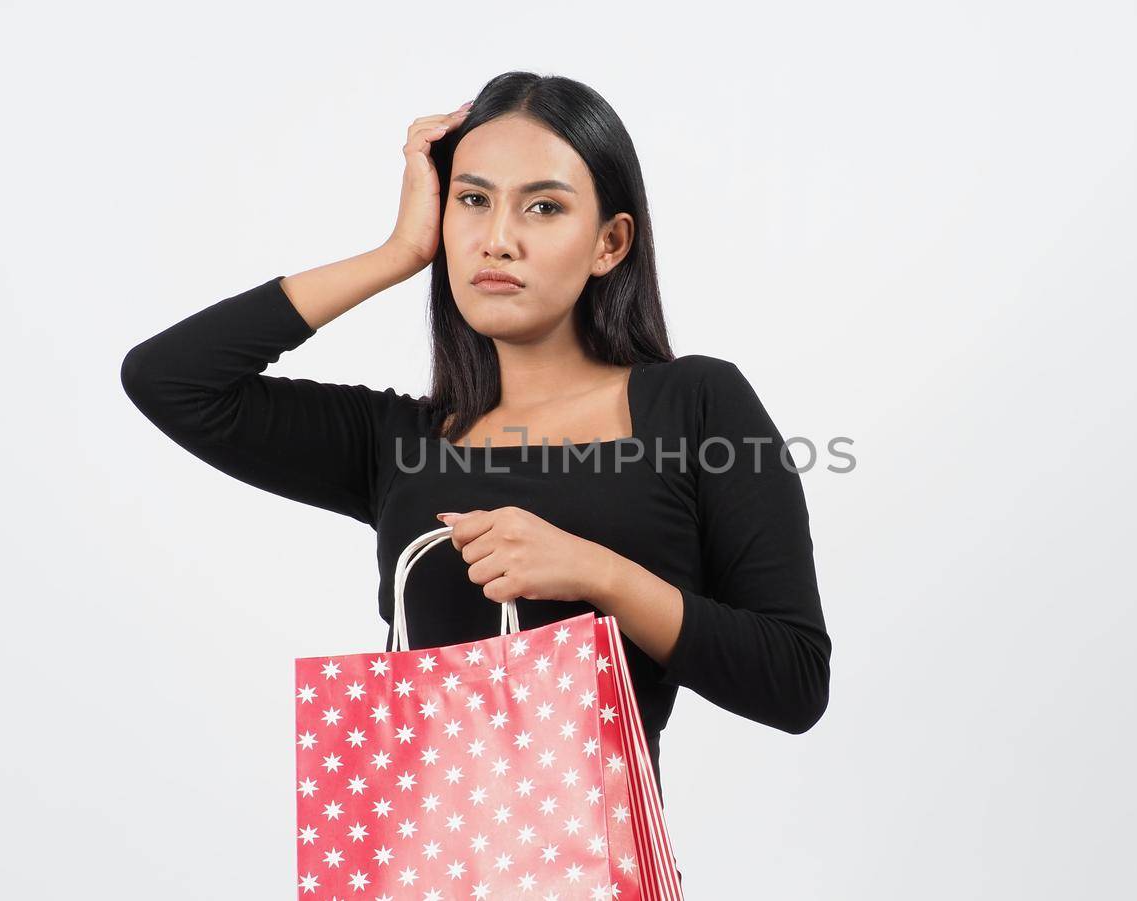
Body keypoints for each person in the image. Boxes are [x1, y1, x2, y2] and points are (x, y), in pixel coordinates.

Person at [120, 71, 830, 891]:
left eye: (544, 207)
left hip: (596, 876)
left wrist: (597, 573)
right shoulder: (402, 442)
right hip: (422, 873)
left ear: (612, 242)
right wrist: (396, 254)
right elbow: (169, 380)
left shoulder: (695, 406)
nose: (498, 239)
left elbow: (794, 679)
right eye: (473, 201)